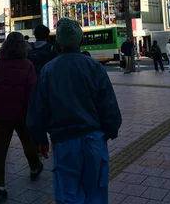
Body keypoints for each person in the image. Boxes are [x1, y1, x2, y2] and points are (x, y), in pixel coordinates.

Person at [27, 18, 122, 203]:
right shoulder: (94, 67)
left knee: (68, 194)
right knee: (96, 193)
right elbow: (108, 105)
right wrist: (109, 131)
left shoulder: (48, 70)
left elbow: (38, 109)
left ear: (58, 43)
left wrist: (40, 138)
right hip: (94, 139)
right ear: (81, 41)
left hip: (64, 141)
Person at [0, 32, 42, 201]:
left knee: (0, 151)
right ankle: (34, 167)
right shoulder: (27, 65)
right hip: (22, 113)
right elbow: (33, 90)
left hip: (2, 113)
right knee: (28, 142)